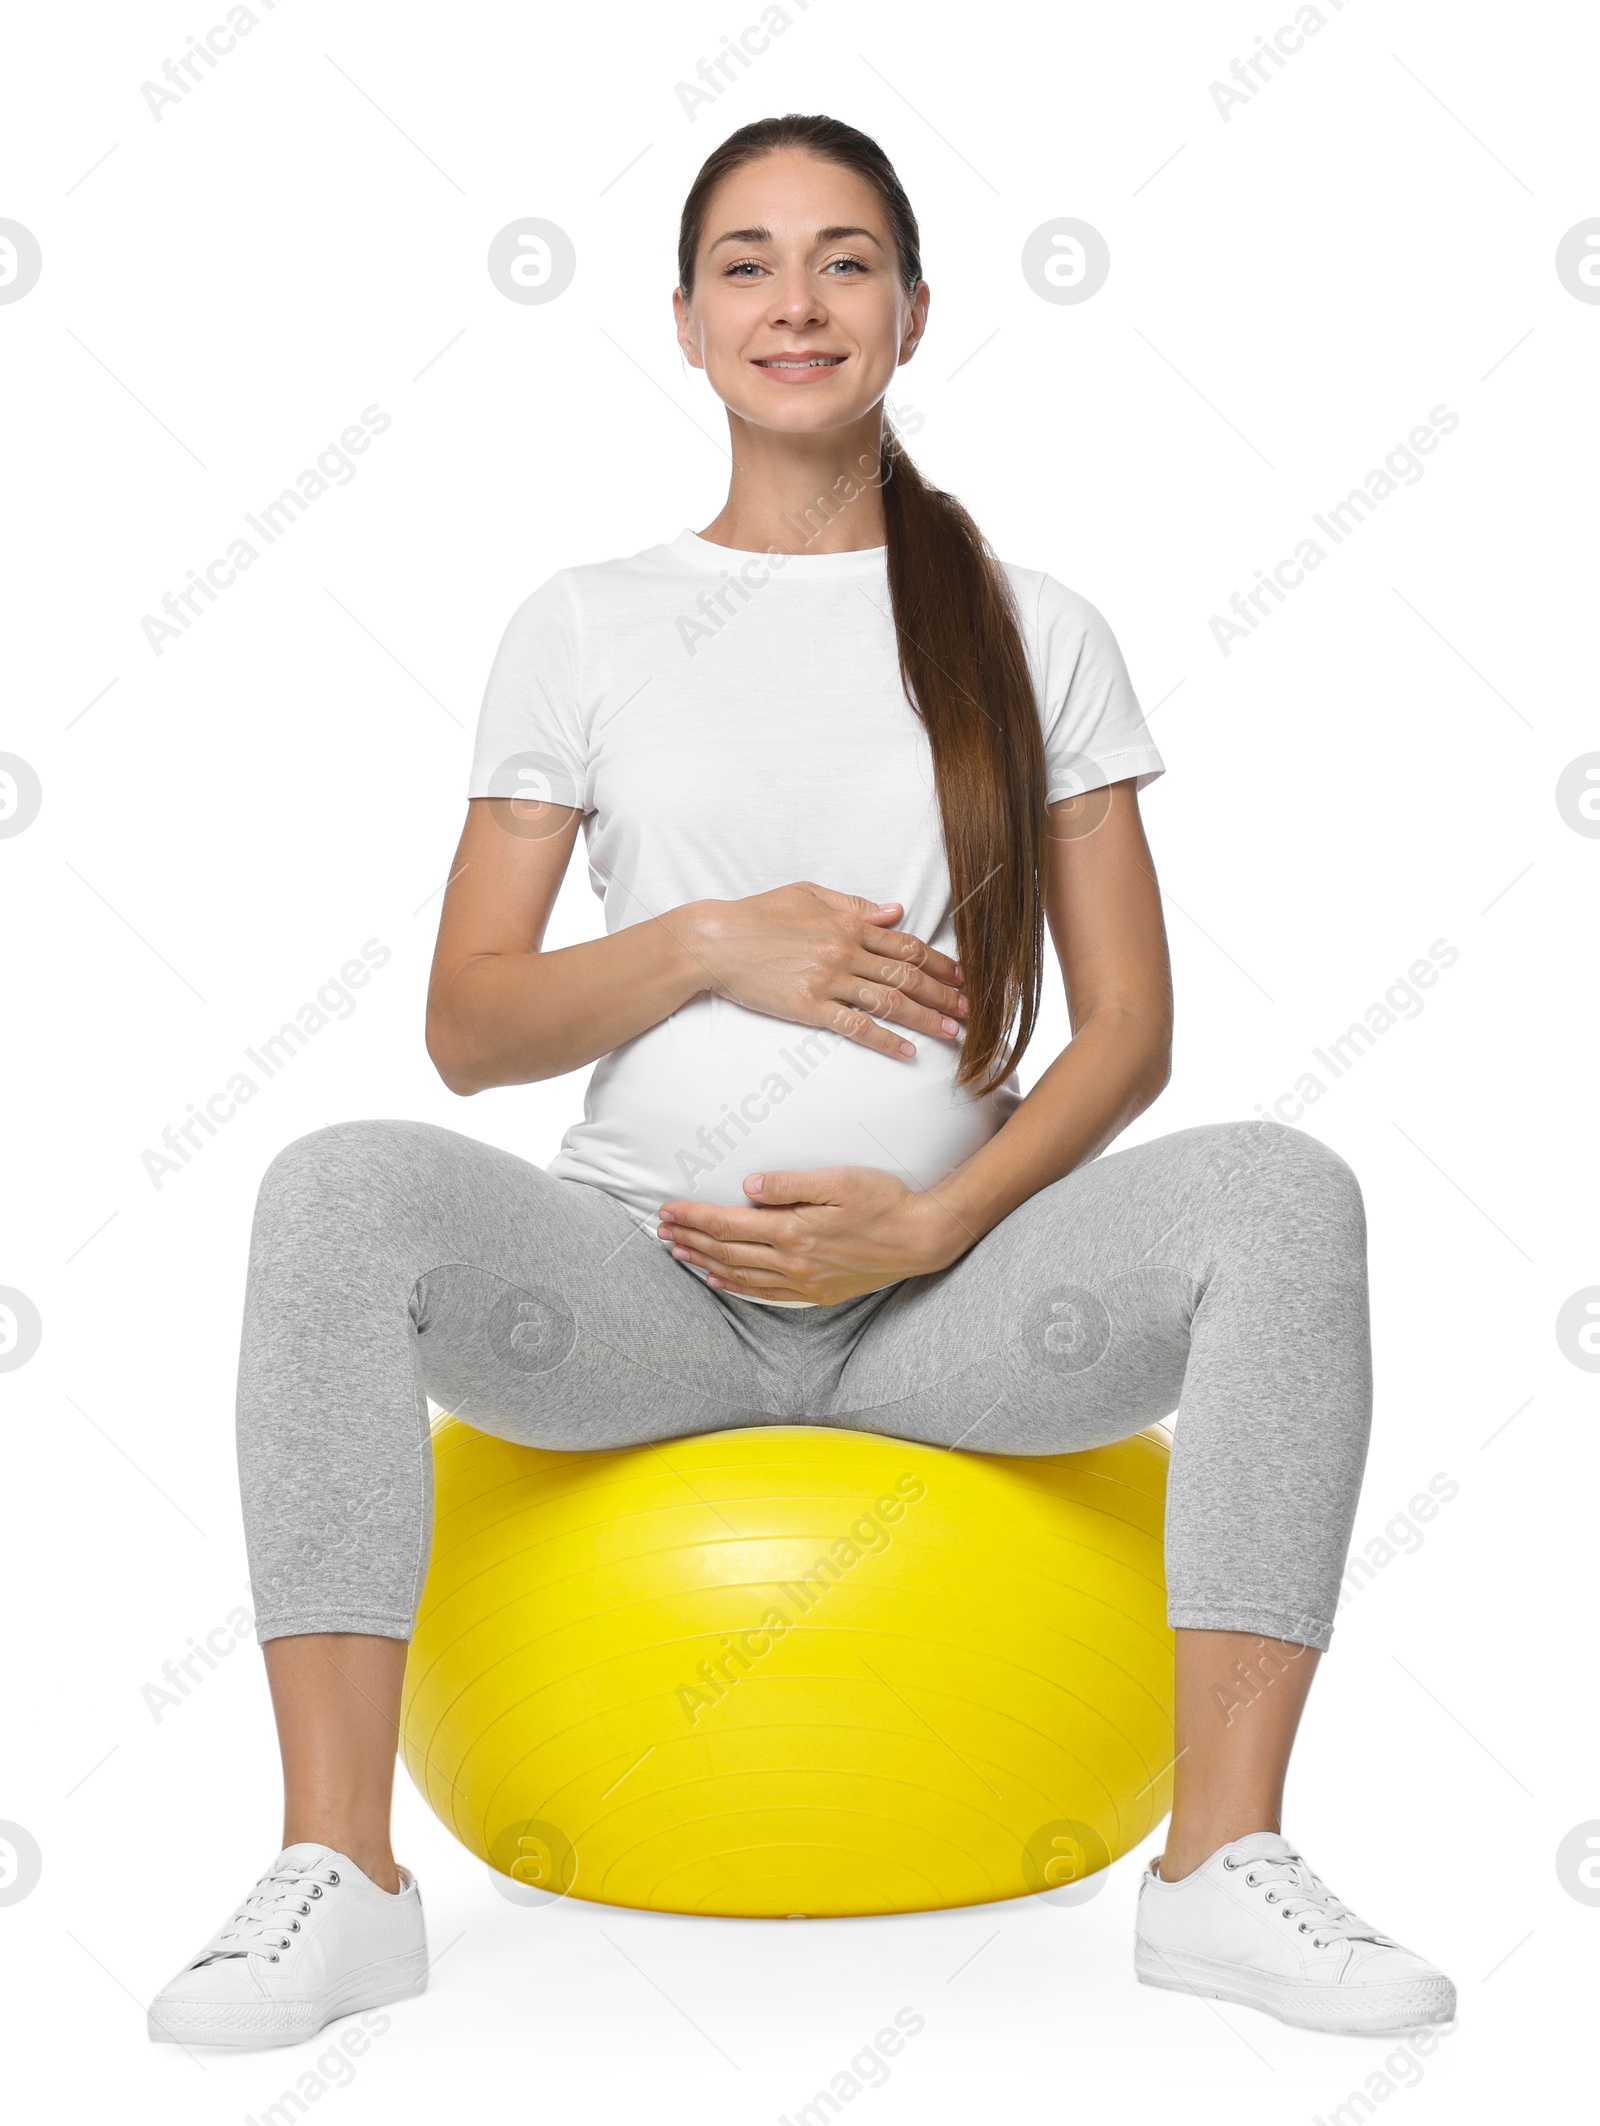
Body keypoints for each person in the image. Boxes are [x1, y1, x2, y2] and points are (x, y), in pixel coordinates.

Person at [148, 112, 1455, 2051]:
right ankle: (340, 1870)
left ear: (912, 313)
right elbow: (469, 1024)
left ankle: (1217, 1868)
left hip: (949, 1311)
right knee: (338, 1182)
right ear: (682, 322)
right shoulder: (581, 622)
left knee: (1279, 1189)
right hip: (637, 1298)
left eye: (844, 260)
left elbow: (1126, 1032)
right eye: (746, 263)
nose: (795, 301)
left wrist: (935, 1218)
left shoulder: (1033, 626)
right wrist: (703, 942)